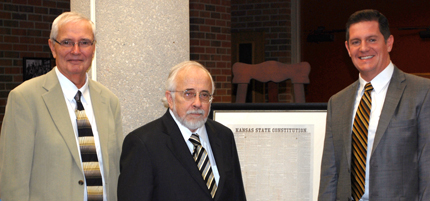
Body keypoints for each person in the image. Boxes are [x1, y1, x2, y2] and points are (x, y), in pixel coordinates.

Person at [0, 12, 123, 201]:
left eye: (84, 42)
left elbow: (115, 173)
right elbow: (13, 181)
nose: (76, 50)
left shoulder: (110, 101)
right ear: (53, 47)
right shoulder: (25, 99)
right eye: (66, 42)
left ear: (93, 48)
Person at [318, 9, 430, 201]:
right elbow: (330, 174)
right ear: (347, 48)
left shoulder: (422, 92)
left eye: (371, 40)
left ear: (389, 43)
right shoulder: (337, 102)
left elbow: (427, 168)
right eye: (356, 42)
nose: (363, 48)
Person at [117, 61, 247, 201]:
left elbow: (237, 195)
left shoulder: (224, 136)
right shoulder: (143, 144)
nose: (197, 103)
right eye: (188, 93)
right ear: (170, 99)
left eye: (204, 95)